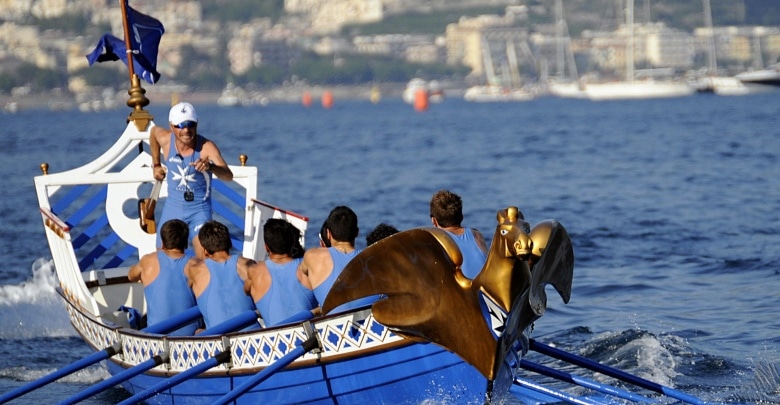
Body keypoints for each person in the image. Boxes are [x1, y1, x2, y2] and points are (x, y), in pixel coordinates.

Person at [149, 102, 233, 248]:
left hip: (199, 211)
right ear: (171, 126)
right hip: (173, 208)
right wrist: (156, 164)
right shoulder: (166, 140)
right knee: (163, 256)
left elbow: (228, 176)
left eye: (191, 124)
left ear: (197, 124)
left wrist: (211, 167)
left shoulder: (206, 147)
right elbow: (153, 133)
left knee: (206, 256)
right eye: (180, 125)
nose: (186, 130)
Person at [297, 206, 375, 313]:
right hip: (367, 323)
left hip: (333, 326)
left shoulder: (313, 256)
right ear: (357, 232)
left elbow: (300, 275)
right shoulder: (372, 258)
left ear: (328, 234)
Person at [127, 219, 198, 335]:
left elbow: (131, 276)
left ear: (163, 243)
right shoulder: (196, 265)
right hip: (190, 336)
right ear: (185, 243)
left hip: (157, 335)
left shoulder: (148, 261)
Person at [184, 220, 257, 331]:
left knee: (199, 331)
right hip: (252, 337)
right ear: (230, 243)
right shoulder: (247, 265)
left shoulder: (195, 271)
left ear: (204, 251)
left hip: (218, 340)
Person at [244, 219, 318, 327]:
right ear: (292, 243)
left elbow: (246, 291)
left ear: (266, 247)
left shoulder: (255, 272)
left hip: (276, 342)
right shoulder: (307, 269)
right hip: (309, 339)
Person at [429, 189, 488, 279]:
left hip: (464, 292)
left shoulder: (435, 243)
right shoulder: (477, 235)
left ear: (434, 221)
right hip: (487, 289)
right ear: (462, 217)